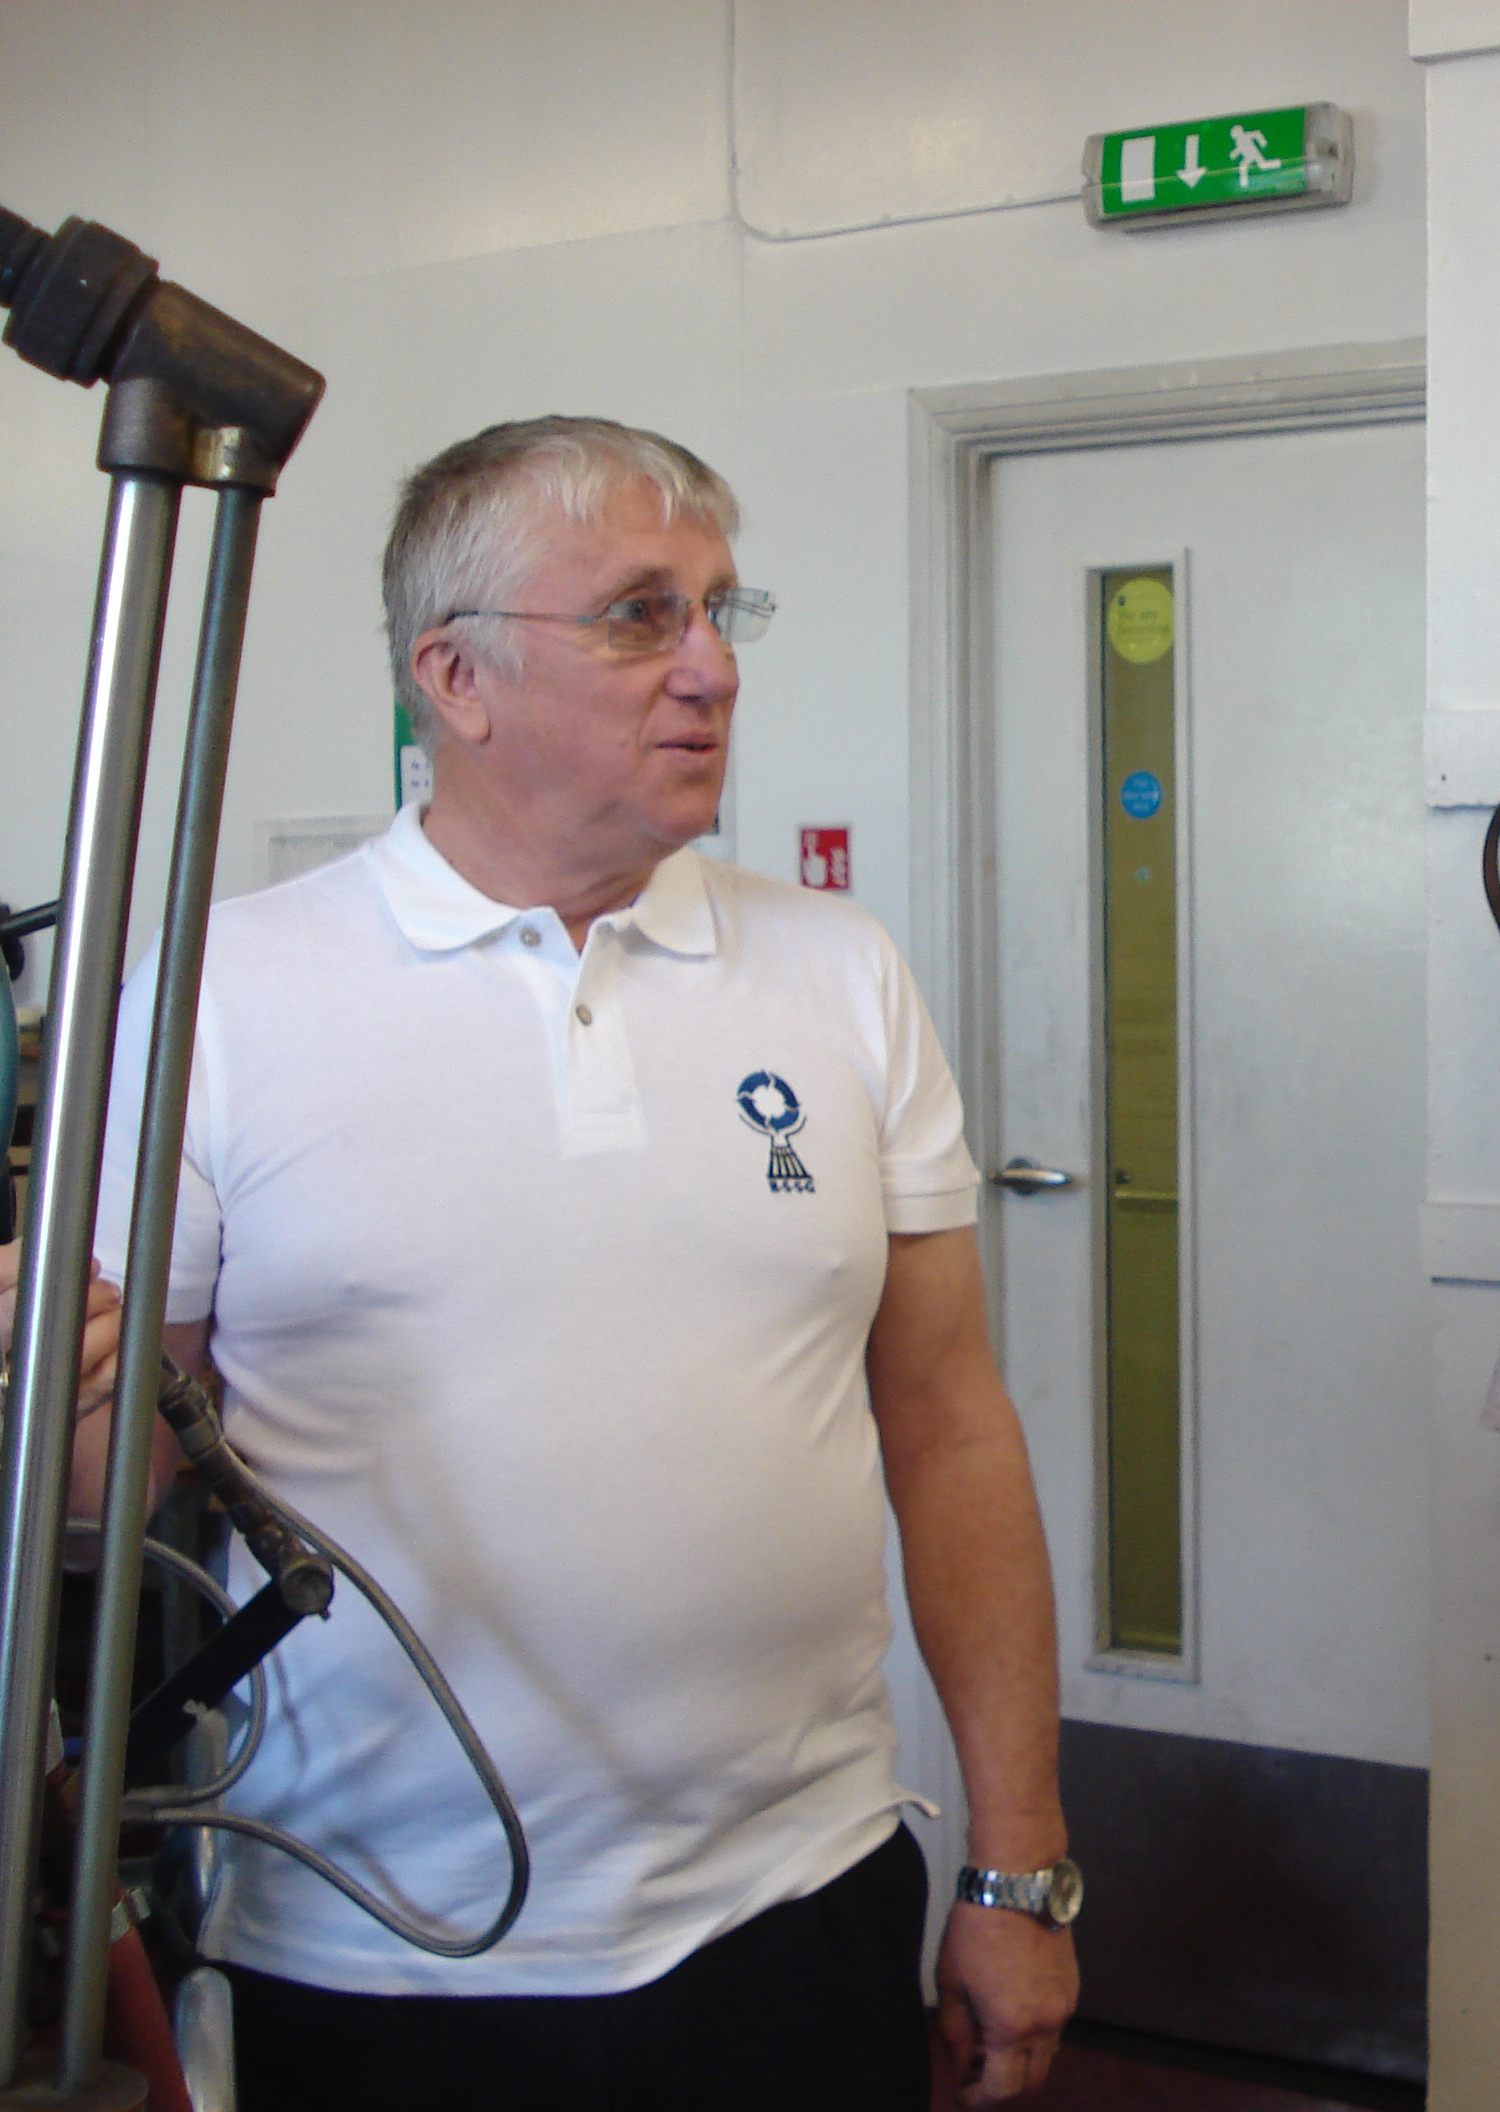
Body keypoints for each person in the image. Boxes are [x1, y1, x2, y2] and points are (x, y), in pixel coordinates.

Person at [63, 416, 1076, 2110]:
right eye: (637, 615)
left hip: (799, 1902)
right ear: (453, 677)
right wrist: (57, 1382)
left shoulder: (838, 971)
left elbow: (951, 1426)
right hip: (386, 1945)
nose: (710, 667)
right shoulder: (219, 997)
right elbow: (119, 1486)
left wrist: (1018, 1864)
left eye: (720, 611)